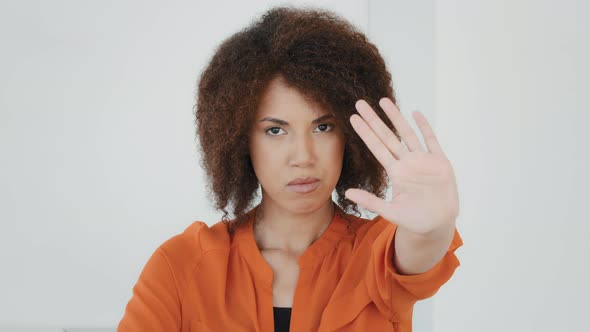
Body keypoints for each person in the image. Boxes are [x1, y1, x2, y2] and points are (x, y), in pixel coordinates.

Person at [117, 5, 463, 332]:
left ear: (349, 136)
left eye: (323, 127)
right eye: (275, 130)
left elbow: (416, 253)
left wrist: (434, 227)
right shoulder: (181, 266)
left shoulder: (376, 253)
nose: (303, 156)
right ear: (239, 140)